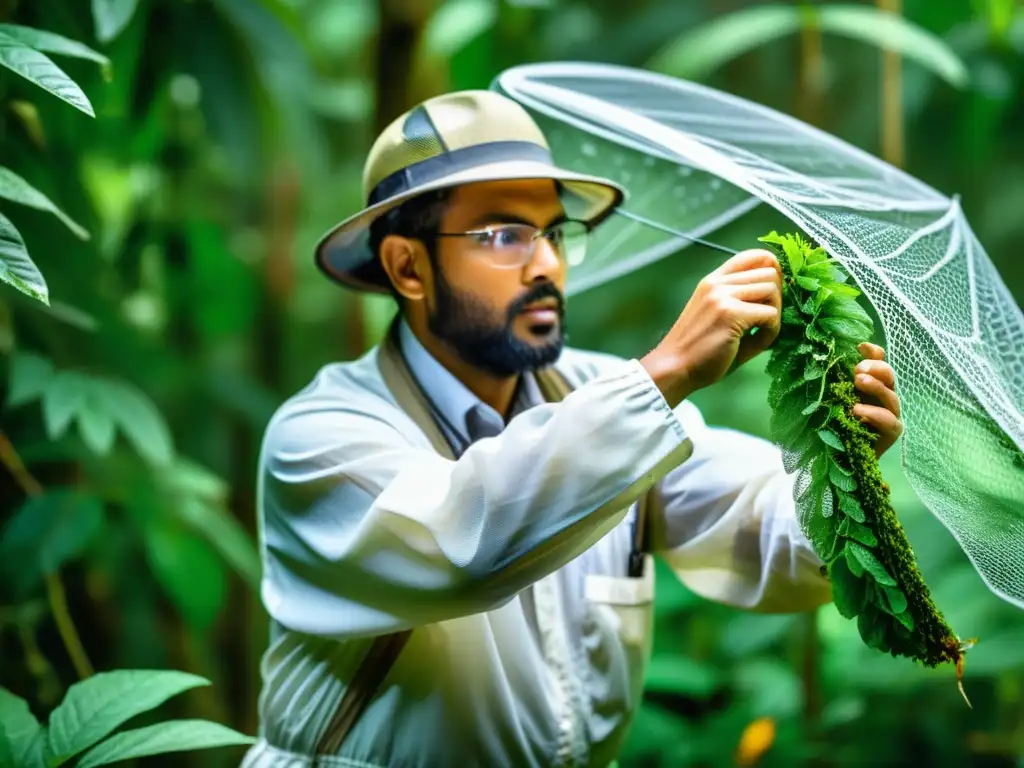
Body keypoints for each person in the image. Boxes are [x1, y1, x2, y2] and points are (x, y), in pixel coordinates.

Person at [242, 91, 903, 768]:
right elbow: (463, 541)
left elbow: (762, 541)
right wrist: (667, 371)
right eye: (504, 236)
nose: (546, 266)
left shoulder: (599, 392)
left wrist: (837, 466)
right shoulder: (320, 438)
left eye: (555, 234)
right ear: (407, 267)